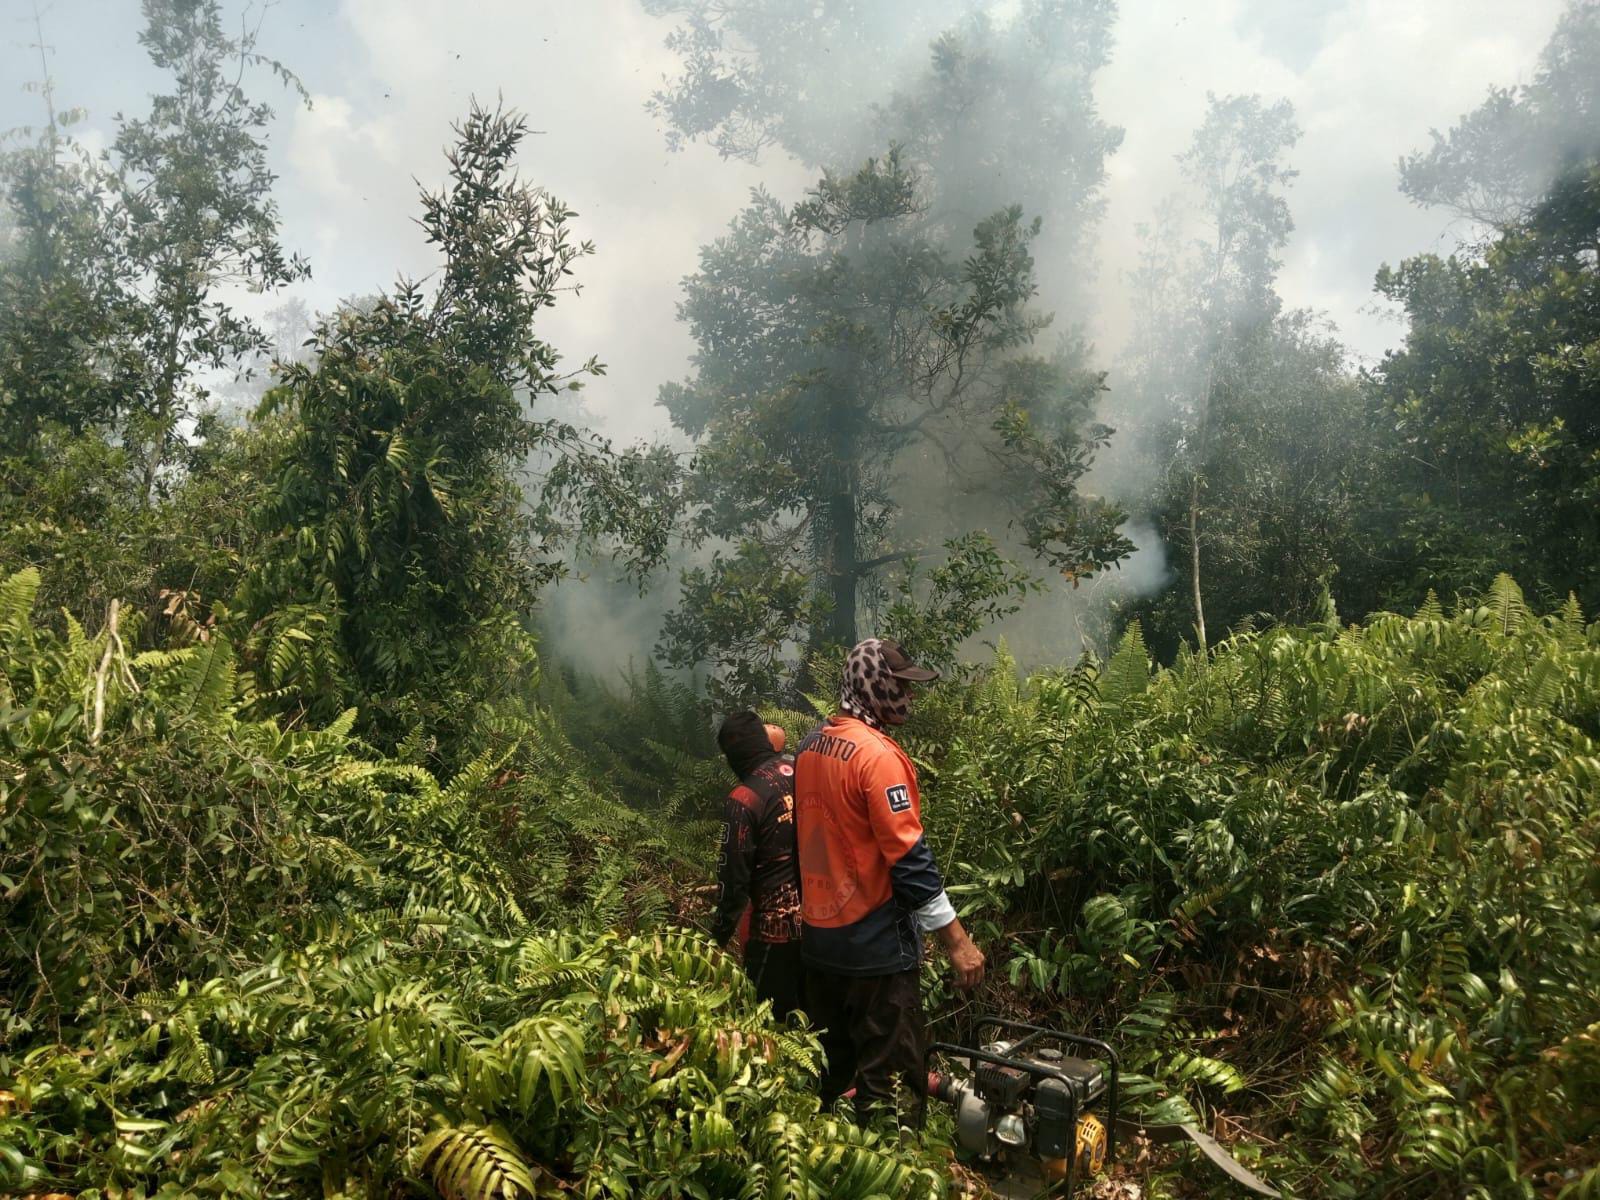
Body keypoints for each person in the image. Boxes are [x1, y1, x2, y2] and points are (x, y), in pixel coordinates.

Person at [794, 637, 986, 1128]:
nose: (908, 697)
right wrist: (958, 943)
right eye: (900, 686)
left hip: (820, 943)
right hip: (875, 950)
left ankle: (836, 1167)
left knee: (834, 1072)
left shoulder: (811, 747)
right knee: (893, 1081)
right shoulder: (877, 757)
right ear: (874, 684)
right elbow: (910, 861)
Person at [710, 710, 803, 1019]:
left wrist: (716, 941)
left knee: (768, 1029)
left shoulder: (744, 798)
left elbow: (733, 882)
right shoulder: (803, 769)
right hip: (827, 928)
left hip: (775, 936)